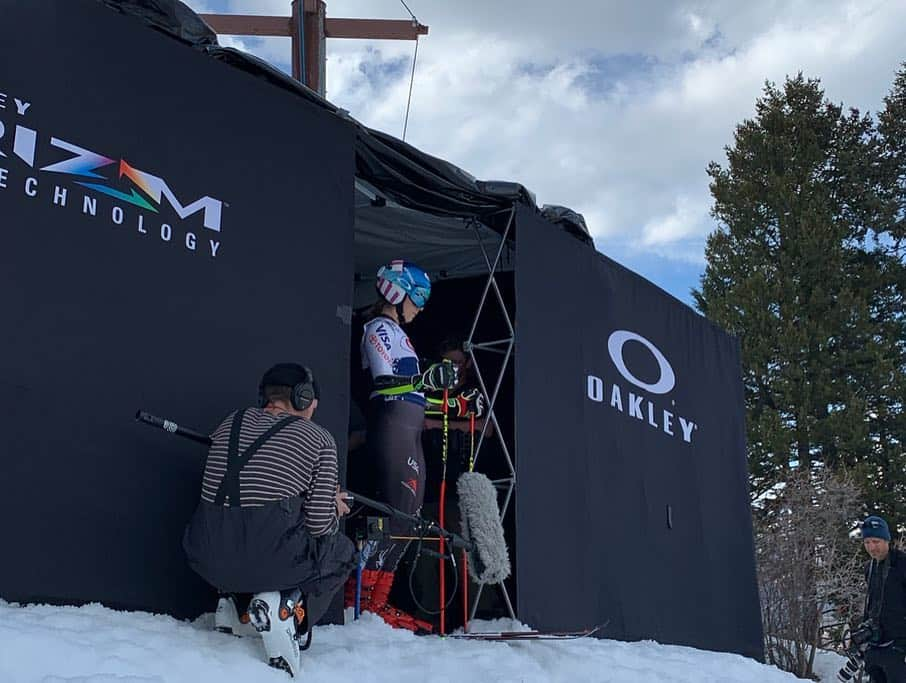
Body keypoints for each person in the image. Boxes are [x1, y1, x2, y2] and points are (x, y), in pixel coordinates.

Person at [183, 363, 356, 678]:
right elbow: (319, 527)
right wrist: (333, 507)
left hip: (205, 558)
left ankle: (235, 605)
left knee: (260, 527)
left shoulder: (229, 423)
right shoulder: (320, 440)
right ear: (304, 398)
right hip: (266, 560)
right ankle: (287, 610)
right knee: (340, 551)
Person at [345, 260, 457, 633]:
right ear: (398, 290)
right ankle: (358, 602)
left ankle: (377, 603)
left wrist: (453, 402)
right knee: (395, 514)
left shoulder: (397, 331)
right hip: (392, 424)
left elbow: (413, 385)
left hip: (406, 426)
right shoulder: (378, 326)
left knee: (407, 515)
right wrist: (425, 375)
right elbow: (386, 378)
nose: (421, 306)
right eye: (419, 296)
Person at [856, 515, 906, 683]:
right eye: (867, 542)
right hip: (875, 646)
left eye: (876, 541)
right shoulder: (869, 567)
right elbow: (872, 604)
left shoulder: (902, 564)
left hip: (899, 647)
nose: (871, 547)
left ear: (886, 539)